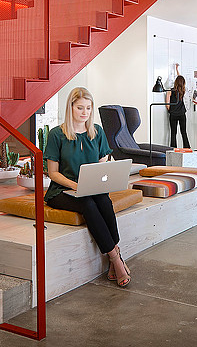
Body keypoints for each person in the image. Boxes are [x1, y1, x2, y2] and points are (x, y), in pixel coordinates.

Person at [44, 87, 131, 287]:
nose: (85, 113)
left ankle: (113, 254)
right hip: (62, 190)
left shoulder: (97, 131)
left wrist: (98, 181)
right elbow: (53, 173)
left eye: (89, 108)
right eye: (80, 108)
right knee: (88, 205)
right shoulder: (57, 134)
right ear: (71, 108)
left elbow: (102, 163)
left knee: (103, 201)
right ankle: (115, 258)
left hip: (91, 188)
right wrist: (77, 185)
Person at [166, 75, 191, 148]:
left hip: (173, 114)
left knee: (173, 133)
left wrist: (171, 110)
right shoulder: (183, 91)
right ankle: (187, 148)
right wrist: (177, 70)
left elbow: (167, 104)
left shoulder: (170, 91)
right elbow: (181, 80)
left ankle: (173, 149)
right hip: (182, 114)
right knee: (183, 132)